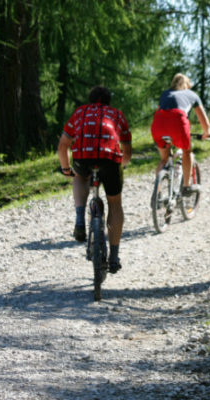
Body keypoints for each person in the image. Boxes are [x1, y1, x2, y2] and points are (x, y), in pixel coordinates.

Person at [58, 86, 132, 273]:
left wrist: (66, 169)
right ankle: (114, 258)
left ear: (91, 100)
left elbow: (63, 145)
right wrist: (120, 167)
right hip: (110, 159)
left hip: (84, 157)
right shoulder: (117, 115)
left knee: (80, 177)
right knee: (114, 204)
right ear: (108, 101)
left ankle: (80, 218)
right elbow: (127, 149)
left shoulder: (80, 112)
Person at [151, 73, 210, 196]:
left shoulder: (165, 94)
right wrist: (207, 132)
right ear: (187, 85)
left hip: (158, 123)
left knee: (164, 159)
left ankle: (157, 193)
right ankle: (186, 186)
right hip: (177, 121)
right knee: (187, 152)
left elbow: (159, 110)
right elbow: (203, 119)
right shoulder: (192, 94)